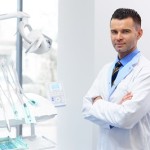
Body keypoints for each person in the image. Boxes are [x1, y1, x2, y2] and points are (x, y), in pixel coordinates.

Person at [82, 8, 150, 150]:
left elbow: (126, 118)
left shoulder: (145, 71)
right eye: (114, 32)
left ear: (139, 33)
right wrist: (116, 111)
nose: (118, 37)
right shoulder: (106, 70)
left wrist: (98, 103)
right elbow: (86, 108)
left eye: (125, 31)